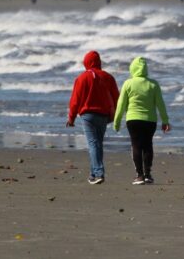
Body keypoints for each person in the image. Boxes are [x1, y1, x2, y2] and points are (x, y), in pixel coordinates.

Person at [113, 57, 170, 185]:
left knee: (136, 145)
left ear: (132, 69)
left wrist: (116, 122)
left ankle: (139, 175)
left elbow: (120, 105)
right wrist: (165, 121)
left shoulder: (128, 83)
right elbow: (160, 104)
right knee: (148, 145)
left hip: (133, 120)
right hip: (150, 121)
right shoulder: (153, 84)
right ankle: (148, 174)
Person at [67, 51, 119, 185]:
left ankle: (99, 173)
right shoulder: (108, 77)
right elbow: (116, 97)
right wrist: (115, 115)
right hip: (104, 115)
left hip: (87, 115)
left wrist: (71, 117)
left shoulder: (81, 78)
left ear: (86, 62)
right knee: (97, 144)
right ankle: (93, 174)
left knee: (93, 144)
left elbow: (75, 100)